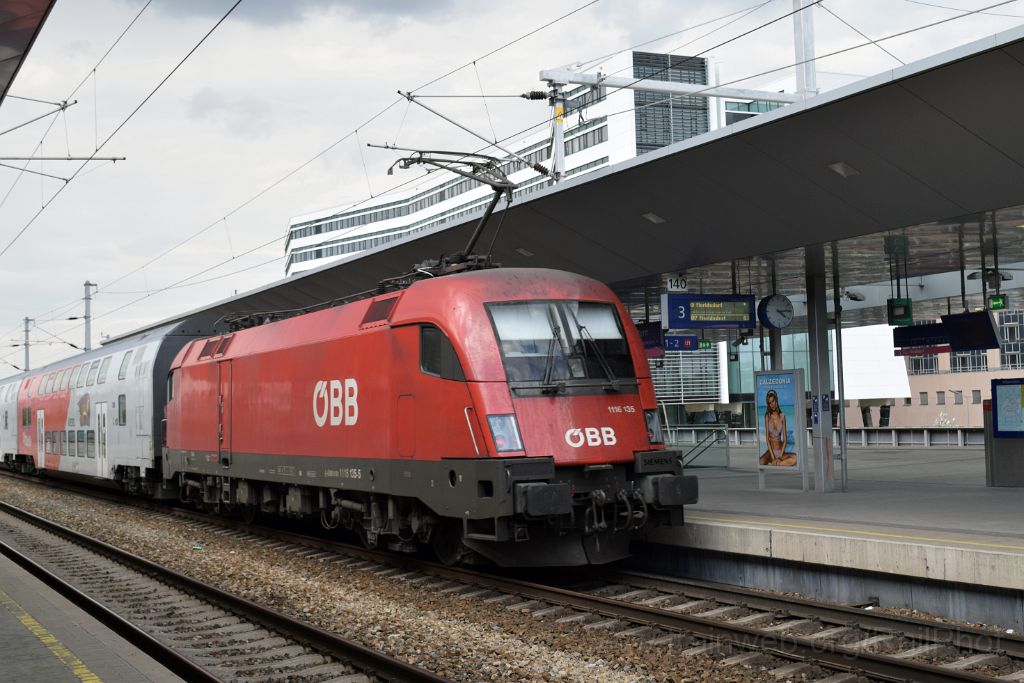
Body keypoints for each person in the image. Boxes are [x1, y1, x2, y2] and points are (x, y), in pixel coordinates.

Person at [759, 389, 797, 466]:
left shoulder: (782, 416)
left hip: (780, 452)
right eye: (769, 403)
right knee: (761, 461)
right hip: (770, 452)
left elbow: (785, 440)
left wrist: (779, 457)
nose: (772, 404)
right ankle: (777, 463)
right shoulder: (767, 416)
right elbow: (767, 439)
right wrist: (773, 456)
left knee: (796, 458)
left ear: (776, 400)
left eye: (773, 401)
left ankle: (777, 463)